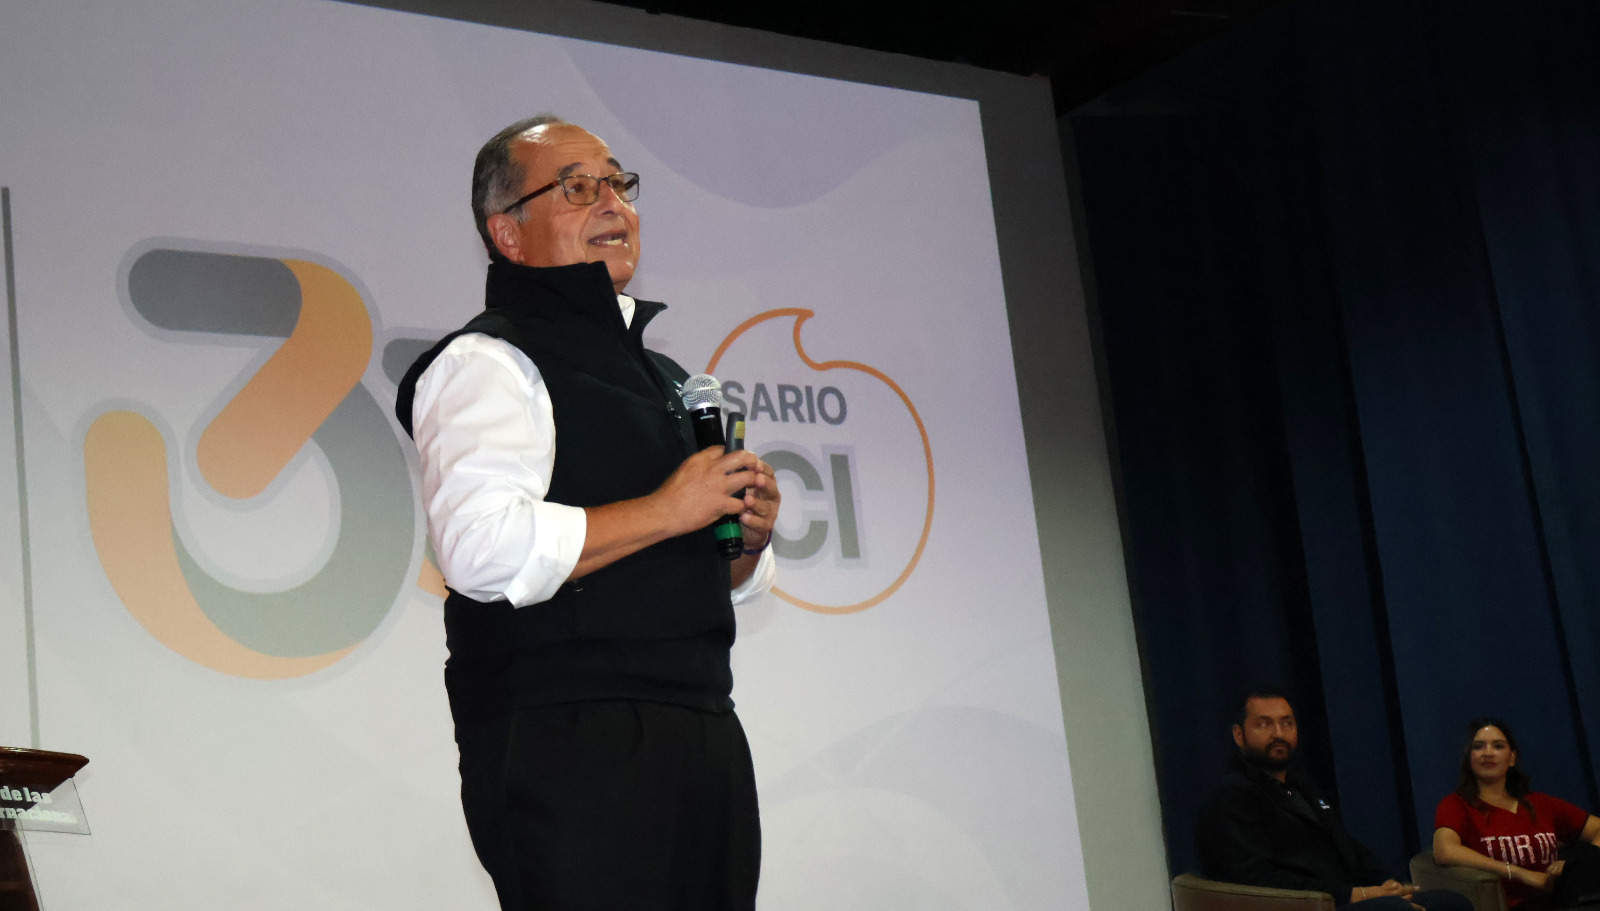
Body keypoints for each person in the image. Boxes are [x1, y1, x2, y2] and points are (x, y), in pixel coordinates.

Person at [394, 115, 781, 911]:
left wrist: (745, 537)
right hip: (569, 740)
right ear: (507, 233)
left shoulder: (666, 377)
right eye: (577, 187)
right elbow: (480, 549)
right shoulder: (488, 361)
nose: (613, 203)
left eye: (619, 183)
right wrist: (668, 509)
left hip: (703, 730)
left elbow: (716, 574)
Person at [1197, 689, 1472, 910]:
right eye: (1264, 724)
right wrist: (1354, 894)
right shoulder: (1232, 795)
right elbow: (1254, 878)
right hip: (1307, 905)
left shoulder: (1300, 785)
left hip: (1346, 897)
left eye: (1286, 723)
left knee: (1450, 903)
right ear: (1239, 735)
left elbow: (1346, 846)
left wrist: (1387, 883)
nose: (1278, 734)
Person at [1433, 718, 1600, 909]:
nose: (1488, 753)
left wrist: (1573, 866)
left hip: (1565, 898)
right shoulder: (1456, 805)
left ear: (1512, 758)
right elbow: (1444, 850)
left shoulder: (1540, 803)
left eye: (1498, 746)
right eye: (1478, 747)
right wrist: (1519, 873)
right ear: (1469, 758)